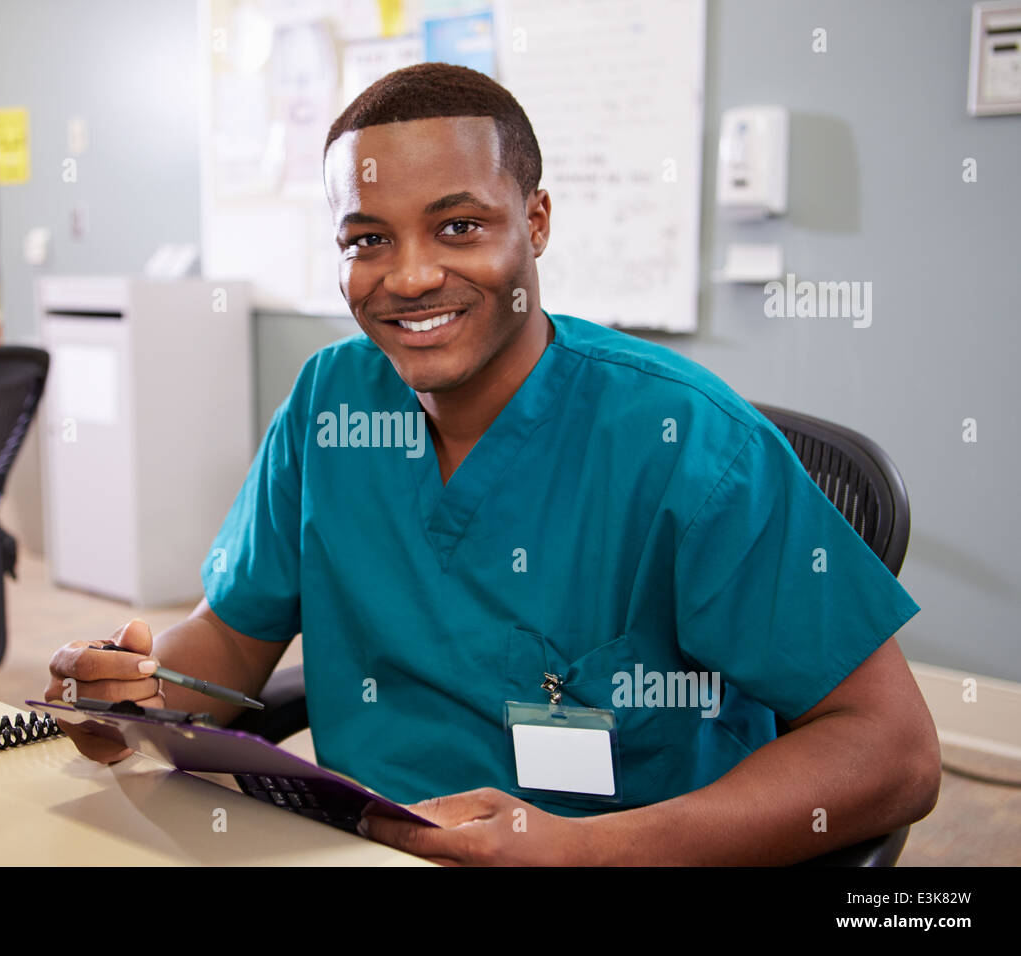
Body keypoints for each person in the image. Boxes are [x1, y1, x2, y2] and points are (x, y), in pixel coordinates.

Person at [45, 63, 940, 866]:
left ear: (536, 223)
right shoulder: (331, 403)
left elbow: (894, 750)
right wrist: (135, 690)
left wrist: (590, 853)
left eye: (460, 226)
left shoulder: (690, 444)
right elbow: (236, 638)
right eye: (367, 240)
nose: (409, 277)